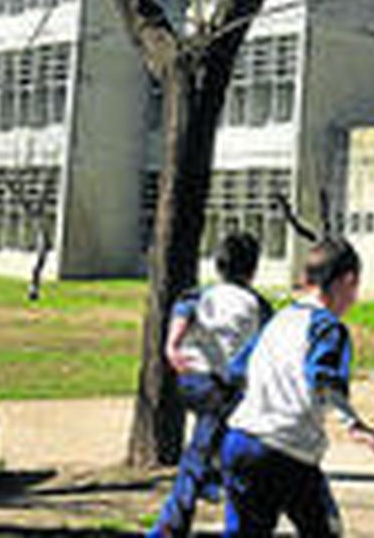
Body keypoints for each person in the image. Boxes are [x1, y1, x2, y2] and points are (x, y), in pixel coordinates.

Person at [221, 237, 374, 537]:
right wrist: (354, 425)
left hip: (240, 442)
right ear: (348, 281)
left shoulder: (278, 319)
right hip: (286, 452)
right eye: (355, 288)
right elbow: (324, 378)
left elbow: (236, 371)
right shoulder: (328, 328)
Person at [149, 231, 271, 538]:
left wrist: (171, 347)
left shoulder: (200, 294)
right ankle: (176, 520)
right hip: (225, 388)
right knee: (206, 451)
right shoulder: (258, 305)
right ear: (252, 269)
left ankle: (203, 496)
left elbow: (182, 314)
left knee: (214, 440)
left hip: (191, 379)